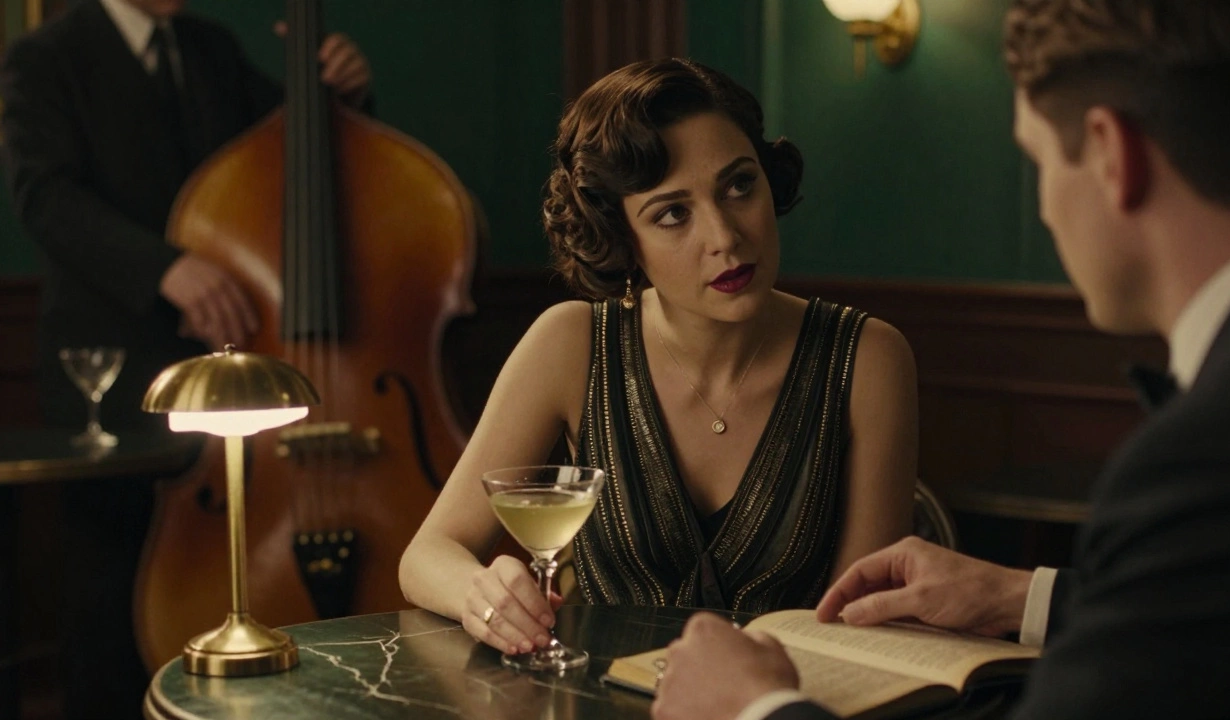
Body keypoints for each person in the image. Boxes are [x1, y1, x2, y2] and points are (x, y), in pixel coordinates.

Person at [650, 1, 1230, 719]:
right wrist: (1023, 595)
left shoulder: (1221, 448)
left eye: (1038, 160)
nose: (1044, 208)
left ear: (1112, 154)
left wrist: (751, 707)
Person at [399, 58, 919, 656]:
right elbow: (426, 556)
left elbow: (862, 626)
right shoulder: (570, 345)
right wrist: (485, 596)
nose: (724, 236)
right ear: (622, 238)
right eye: (673, 213)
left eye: (739, 185)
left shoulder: (868, 359)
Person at [0, 1, 370, 716]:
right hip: (110, 365)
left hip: (226, 356)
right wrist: (163, 269)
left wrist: (339, 95)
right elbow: (44, 196)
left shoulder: (209, 48)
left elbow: (286, 144)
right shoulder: (45, 55)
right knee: (110, 592)